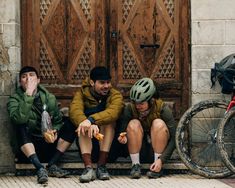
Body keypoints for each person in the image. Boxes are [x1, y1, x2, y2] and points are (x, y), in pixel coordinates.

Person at [7, 66, 75, 184]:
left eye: (31, 75)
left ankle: (52, 164)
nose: (28, 79)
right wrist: (28, 94)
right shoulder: (15, 99)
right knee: (20, 126)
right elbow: (18, 119)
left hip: (48, 145)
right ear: (20, 82)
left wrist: (54, 131)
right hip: (28, 150)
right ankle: (39, 168)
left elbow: (58, 122)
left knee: (71, 124)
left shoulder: (49, 98)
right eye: (24, 77)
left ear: (38, 80)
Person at [69, 66, 124, 183]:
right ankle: (88, 168)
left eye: (108, 82)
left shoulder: (115, 95)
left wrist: (92, 120)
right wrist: (87, 122)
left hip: (109, 149)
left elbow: (113, 112)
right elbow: (74, 111)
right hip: (87, 148)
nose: (106, 86)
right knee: (83, 124)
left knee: (109, 122)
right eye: (102, 83)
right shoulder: (81, 93)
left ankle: (101, 167)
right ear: (92, 82)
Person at [117, 77, 176, 179]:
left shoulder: (162, 109)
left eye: (141, 103)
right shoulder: (130, 109)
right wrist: (122, 138)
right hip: (139, 151)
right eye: (135, 102)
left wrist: (161, 160)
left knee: (158, 123)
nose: (137, 106)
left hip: (157, 153)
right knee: (133, 123)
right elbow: (122, 131)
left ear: (151, 100)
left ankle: (156, 167)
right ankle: (135, 166)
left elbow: (175, 138)